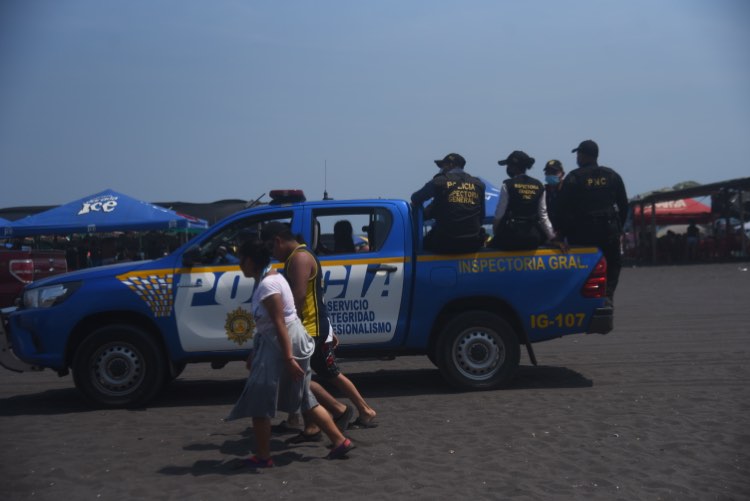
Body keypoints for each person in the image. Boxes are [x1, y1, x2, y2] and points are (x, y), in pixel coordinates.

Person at [225, 239, 353, 467]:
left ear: (251, 261)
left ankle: (264, 457)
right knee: (304, 397)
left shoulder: (268, 285)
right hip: (281, 343)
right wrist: (256, 351)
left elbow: (280, 323)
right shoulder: (269, 279)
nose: (239, 265)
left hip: (284, 345)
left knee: (260, 400)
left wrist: (288, 358)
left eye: (241, 260)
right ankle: (339, 440)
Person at [261, 222, 378, 440]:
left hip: (309, 328)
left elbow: (298, 298)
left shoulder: (299, 258)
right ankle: (308, 422)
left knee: (321, 374)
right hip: (311, 326)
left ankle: (359, 410)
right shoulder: (296, 257)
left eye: (271, 248)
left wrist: (280, 325)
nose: (272, 254)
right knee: (305, 375)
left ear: (278, 241)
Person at [557, 139, 628, 303]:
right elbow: (624, 206)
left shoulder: (574, 177)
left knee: (583, 267)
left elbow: (561, 209)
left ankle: (587, 298)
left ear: (583, 155)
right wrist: (618, 228)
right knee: (613, 263)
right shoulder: (612, 175)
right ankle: (608, 295)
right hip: (609, 231)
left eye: (578, 154)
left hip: (582, 234)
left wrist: (563, 232)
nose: (577, 158)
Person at [411, 153, 486, 253]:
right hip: (473, 243)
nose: (441, 169)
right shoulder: (478, 184)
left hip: (445, 243)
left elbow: (415, 198)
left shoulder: (439, 181)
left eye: (442, 165)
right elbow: (481, 217)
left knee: (416, 248)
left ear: (450, 165)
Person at [490, 150, 561, 251]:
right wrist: (553, 238)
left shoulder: (508, 185)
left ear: (513, 167)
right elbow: (543, 216)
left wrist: (496, 231)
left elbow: (499, 214)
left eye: (508, 166)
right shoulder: (539, 185)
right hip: (533, 238)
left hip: (512, 236)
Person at [543, 159, 565, 232]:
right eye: (548, 172)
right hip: (547, 233)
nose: (550, 175)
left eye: (554, 172)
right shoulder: (543, 191)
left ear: (562, 174)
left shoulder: (568, 190)